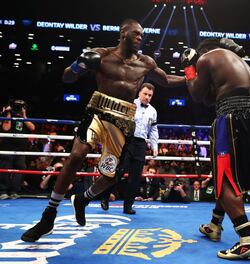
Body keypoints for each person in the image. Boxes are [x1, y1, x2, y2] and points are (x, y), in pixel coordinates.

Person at [21, 18, 185, 242]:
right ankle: (48, 215)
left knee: (110, 176)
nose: (140, 37)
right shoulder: (101, 55)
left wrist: (191, 78)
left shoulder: (146, 62)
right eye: (136, 33)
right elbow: (67, 77)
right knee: (76, 155)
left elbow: (165, 80)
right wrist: (80, 65)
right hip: (97, 112)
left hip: (123, 121)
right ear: (123, 32)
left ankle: (83, 199)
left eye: (141, 34)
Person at [181, 38, 250, 259]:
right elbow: (210, 98)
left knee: (223, 178)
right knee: (228, 174)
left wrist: (189, 67)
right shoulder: (233, 61)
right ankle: (214, 225)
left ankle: (248, 239)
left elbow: (197, 95)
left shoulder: (207, 58)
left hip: (232, 116)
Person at [100, 82, 159, 214]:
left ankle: (128, 206)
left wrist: (155, 146)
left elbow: (153, 130)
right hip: (126, 141)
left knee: (135, 177)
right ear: (139, 92)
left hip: (141, 144)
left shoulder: (153, 111)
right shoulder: (129, 104)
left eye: (150, 95)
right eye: (145, 94)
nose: (147, 97)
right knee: (118, 172)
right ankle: (105, 196)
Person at [0, 99, 35, 200]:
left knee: (20, 169)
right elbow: (6, 128)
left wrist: (24, 115)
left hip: (20, 148)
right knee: (5, 169)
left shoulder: (23, 118)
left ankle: (14, 191)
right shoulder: (6, 116)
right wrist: (8, 113)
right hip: (7, 148)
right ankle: (2, 191)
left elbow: (32, 127)